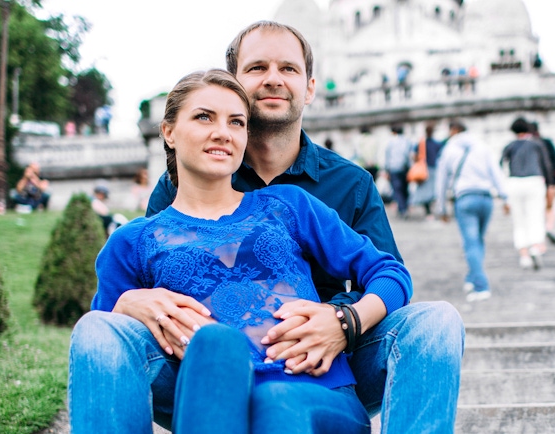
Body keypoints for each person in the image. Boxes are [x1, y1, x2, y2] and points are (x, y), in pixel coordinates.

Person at [144, 21, 464, 434]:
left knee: (436, 321)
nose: (274, 79)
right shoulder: (187, 177)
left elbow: (388, 280)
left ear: (310, 87)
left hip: (328, 364)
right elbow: (147, 262)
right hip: (206, 365)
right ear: (235, 86)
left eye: (288, 69)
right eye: (257, 67)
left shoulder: (351, 183)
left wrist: (341, 322)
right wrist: (130, 301)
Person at [69, 68, 412, 433]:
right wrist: (124, 304)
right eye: (204, 117)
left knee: (275, 400)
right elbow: (105, 348)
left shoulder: (289, 205)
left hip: (313, 391)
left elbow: (391, 273)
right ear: (168, 131)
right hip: (208, 395)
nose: (222, 132)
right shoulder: (133, 240)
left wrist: (347, 320)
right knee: (210, 342)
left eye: (236, 122)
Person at [435, 120, 509, 302]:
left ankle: (481, 285)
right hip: (486, 198)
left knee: (471, 242)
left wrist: (441, 208)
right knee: (478, 240)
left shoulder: (449, 149)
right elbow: (496, 172)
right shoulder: (482, 146)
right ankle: (471, 275)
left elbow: (441, 180)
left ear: (453, 130)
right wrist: (505, 197)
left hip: (465, 198)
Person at [500, 117, 553, 270]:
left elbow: (502, 166)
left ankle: (524, 256)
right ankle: (535, 247)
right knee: (535, 216)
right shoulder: (537, 144)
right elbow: (546, 165)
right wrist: (550, 185)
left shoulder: (509, 146)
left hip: (515, 183)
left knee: (519, 220)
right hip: (534, 181)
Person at [528, 121, 555, 245]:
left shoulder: (529, 145)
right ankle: (548, 227)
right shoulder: (547, 142)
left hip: (534, 181)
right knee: (549, 207)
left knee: (536, 208)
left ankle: (539, 232)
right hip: (550, 181)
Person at [409, 123, 444, 219]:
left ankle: (428, 211)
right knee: (433, 191)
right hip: (433, 169)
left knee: (425, 191)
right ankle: (430, 211)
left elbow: (414, 156)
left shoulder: (421, 143)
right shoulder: (437, 144)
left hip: (424, 170)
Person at [384, 124, 413, 219]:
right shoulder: (407, 141)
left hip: (393, 168)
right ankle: (405, 206)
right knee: (405, 189)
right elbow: (409, 155)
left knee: (397, 190)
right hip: (405, 168)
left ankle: (402, 209)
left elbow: (387, 157)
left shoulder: (390, 142)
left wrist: (386, 169)